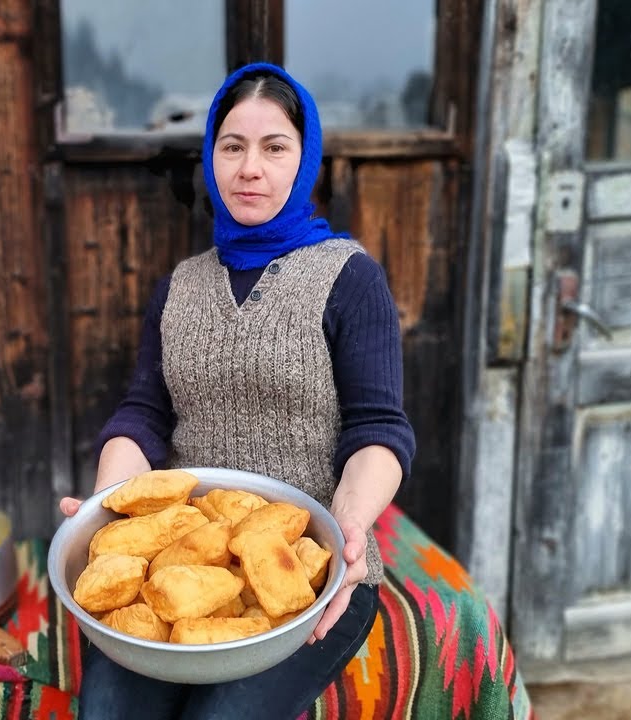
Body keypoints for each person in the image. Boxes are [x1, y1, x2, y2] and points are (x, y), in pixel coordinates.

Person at [57, 62, 416, 719]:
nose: (251, 168)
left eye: (275, 147)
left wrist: (350, 531)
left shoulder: (349, 278)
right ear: (211, 158)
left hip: (303, 566)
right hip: (188, 550)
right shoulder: (181, 286)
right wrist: (110, 503)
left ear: (304, 160)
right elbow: (144, 414)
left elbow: (379, 431)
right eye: (233, 146)